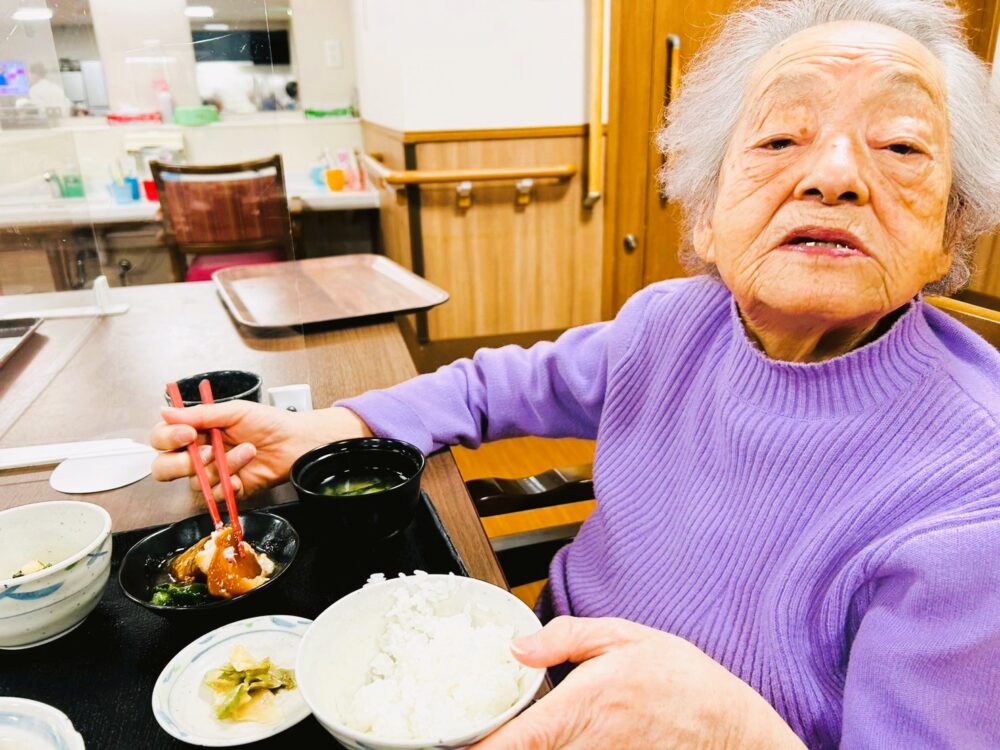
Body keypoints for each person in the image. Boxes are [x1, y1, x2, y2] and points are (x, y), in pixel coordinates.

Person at [151, 0, 1000, 746]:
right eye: (782, 137)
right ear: (705, 214)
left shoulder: (975, 493)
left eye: (900, 146)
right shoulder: (673, 321)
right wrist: (329, 427)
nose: (836, 176)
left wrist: (735, 734)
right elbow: (489, 387)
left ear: (950, 232)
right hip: (526, 669)